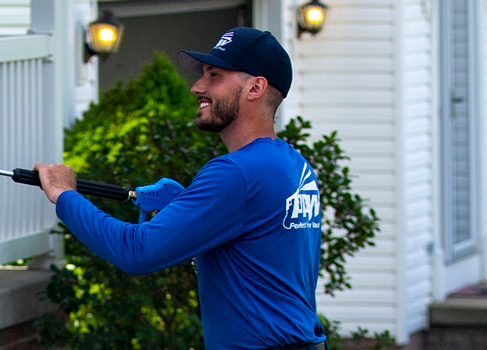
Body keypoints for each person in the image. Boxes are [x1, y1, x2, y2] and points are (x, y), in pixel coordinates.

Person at [32, 27, 327, 350]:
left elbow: (136, 252)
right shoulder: (294, 165)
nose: (197, 87)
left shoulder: (236, 173)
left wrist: (64, 195)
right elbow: (261, 252)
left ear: (255, 87)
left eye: (214, 75)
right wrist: (191, 206)